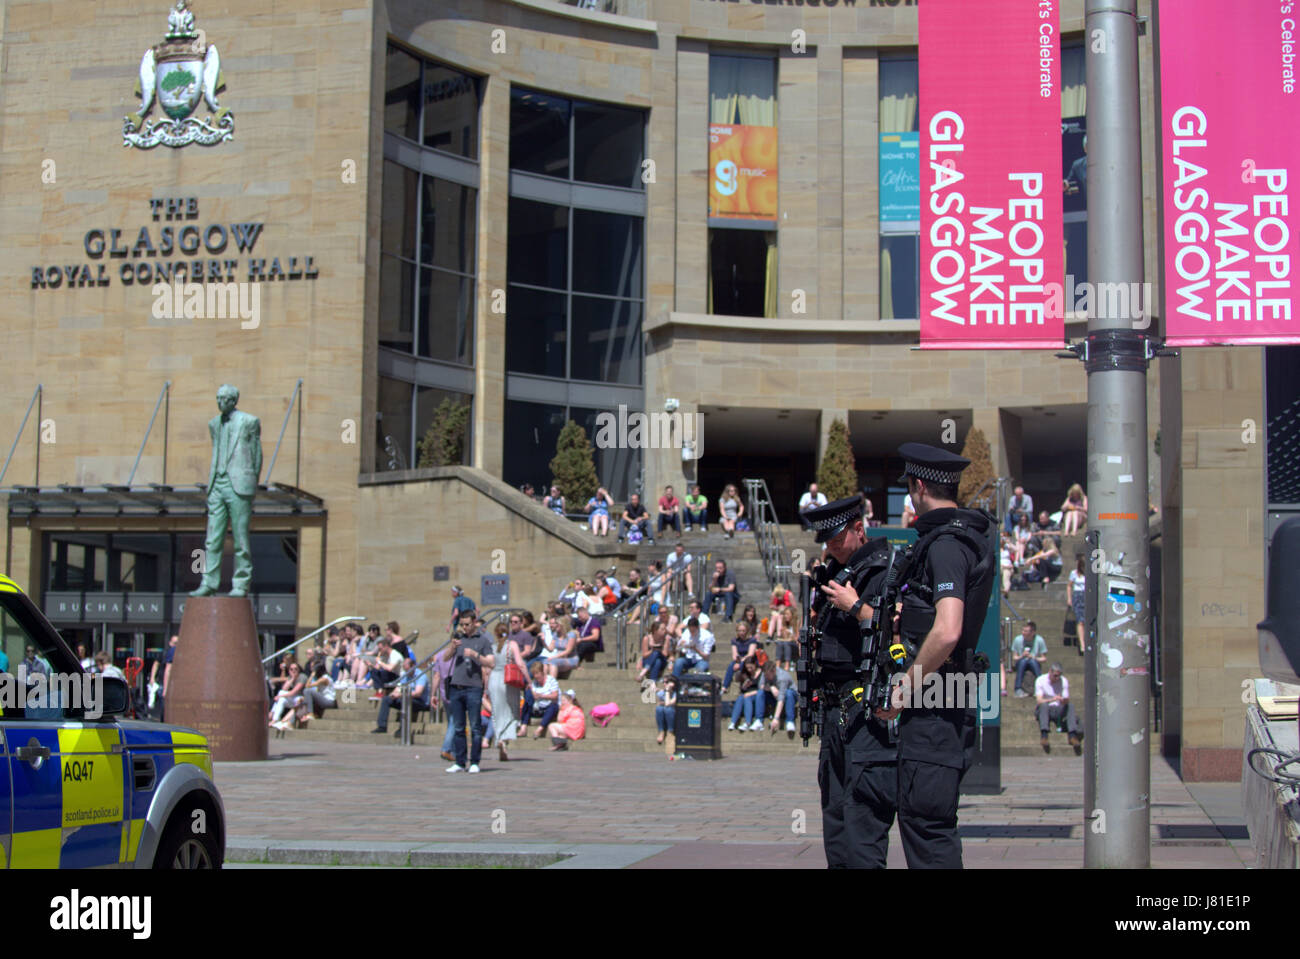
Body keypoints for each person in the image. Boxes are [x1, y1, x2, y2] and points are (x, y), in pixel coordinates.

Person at [865, 443, 995, 868]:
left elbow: (949, 628)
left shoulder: (945, 544)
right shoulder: (961, 537)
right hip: (942, 707)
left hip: (936, 713)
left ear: (919, 486)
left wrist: (906, 686)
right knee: (927, 829)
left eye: (908, 486)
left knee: (928, 833)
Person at [801, 494, 898, 868]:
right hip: (832, 713)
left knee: (862, 826)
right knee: (836, 823)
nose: (832, 548)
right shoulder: (830, 574)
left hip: (866, 713)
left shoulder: (885, 569)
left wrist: (856, 606)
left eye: (838, 539)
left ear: (859, 528)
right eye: (827, 541)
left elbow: (897, 637)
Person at [443, 610, 495, 773]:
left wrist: (474, 655)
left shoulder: (483, 641)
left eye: (467, 624)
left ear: (474, 623)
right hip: (456, 686)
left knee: (475, 726)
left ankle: (474, 762)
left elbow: (491, 663)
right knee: (458, 727)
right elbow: (445, 658)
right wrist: (452, 647)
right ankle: (459, 761)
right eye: (462, 624)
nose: (464, 627)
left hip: (473, 687)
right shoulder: (459, 638)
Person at [486, 625, 528, 761]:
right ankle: (504, 740)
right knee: (511, 711)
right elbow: (520, 663)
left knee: (497, 713)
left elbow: (487, 669)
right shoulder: (512, 644)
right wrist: (529, 681)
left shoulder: (492, 647)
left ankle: (499, 738)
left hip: (494, 679)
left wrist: (486, 687)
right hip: (508, 680)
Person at [1035, 663, 1083, 754]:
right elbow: (1039, 700)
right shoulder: (1040, 680)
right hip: (1045, 708)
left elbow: (1066, 698)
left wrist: (1063, 700)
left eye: (1059, 676)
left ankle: (1072, 736)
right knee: (1043, 706)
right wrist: (1052, 699)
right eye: (1055, 676)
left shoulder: (1063, 681)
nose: (1057, 678)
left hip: (1058, 708)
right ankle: (1044, 735)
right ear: (1050, 672)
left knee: (1070, 706)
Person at [1010, 621, 1048, 697]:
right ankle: (1017, 689)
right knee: (1023, 661)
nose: (1023, 633)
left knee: (1032, 662)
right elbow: (1014, 657)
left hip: (1034, 662)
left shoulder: (1039, 640)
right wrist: (1022, 656)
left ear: (1033, 632)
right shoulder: (1018, 640)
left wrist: (1034, 657)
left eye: (1026, 631)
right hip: (1021, 662)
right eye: (1023, 630)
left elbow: (1044, 659)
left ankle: (1042, 687)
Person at [523, 661, 560, 738]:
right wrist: (531, 690)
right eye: (534, 674)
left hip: (549, 707)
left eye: (537, 673)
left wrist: (541, 696)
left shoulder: (551, 680)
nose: (535, 676)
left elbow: (555, 696)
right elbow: (533, 696)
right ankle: (523, 727)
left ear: (542, 672)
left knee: (553, 706)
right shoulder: (534, 683)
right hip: (538, 708)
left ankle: (540, 729)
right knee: (527, 700)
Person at [727, 659, 765, 731]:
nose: (749, 670)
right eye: (747, 668)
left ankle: (748, 723)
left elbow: (762, 689)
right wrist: (744, 686)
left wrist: (749, 693)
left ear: (755, 665)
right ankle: (733, 722)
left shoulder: (761, 674)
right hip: (746, 694)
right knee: (741, 697)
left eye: (751, 667)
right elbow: (742, 689)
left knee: (747, 697)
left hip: (756, 695)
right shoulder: (746, 674)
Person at [761, 660, 798, 734]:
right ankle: (759, 719)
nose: (766, 677)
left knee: (789, 693)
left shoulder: (782, 677)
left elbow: (781, 698)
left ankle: (790, 721)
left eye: (768, 675)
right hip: (775, 695)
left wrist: (776, 718)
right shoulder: (764, 673)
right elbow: (761, 686)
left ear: (774, 671)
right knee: (760, 693)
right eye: (765, 675)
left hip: (790, 695)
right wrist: (771, 687)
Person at [1068, 555, 1087, 654]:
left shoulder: (1089, 574)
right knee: (1080, 621)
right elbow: (1069, 586)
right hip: (1078, 596)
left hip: (1087, 596)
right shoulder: (1074, 573)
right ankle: (1082, 644)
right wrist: (1069, 598)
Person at [654, 676, 678, 744]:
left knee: (668, 709)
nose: (664, 684)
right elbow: (658, 703)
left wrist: (667, 691)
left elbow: (667, 704)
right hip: (665, 711)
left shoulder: (676, 693)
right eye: (663, 682)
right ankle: (661, 731)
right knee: (659, 709)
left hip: (674, 713)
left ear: (672, 684)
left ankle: (670, 731)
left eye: (666, 682)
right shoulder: (662, 692)